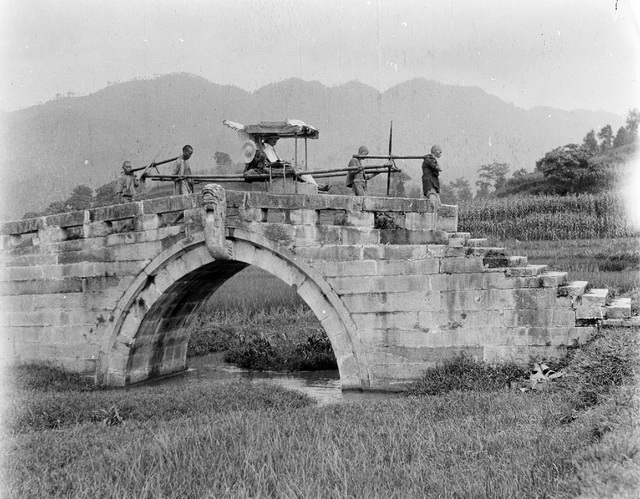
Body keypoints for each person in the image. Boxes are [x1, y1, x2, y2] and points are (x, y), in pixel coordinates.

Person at [422, 144, 443, 213]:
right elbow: (439, 168)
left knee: (438, 205)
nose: (440, 153)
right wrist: (435, 159)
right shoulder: (429, 159)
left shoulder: (432, 160)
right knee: (433, 203)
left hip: (433, 184)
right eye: (439, 151)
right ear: (434, 151)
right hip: (429, 183)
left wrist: (435, 159)